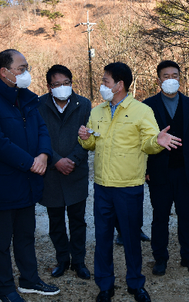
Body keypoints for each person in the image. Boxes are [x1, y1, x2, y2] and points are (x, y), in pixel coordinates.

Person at [78, 62, 181, 302]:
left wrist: (158, 141)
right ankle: (105, 286)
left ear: (119, 84)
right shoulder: (97, 111)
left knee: (131, 239)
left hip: (128, 187)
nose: (102, 85)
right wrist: (84, 138)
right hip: (102, 186)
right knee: (102, 238)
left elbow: (148, 144)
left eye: (105, 81)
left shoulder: (141, 111)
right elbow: (93, 144)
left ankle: (136, 284)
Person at [0, 49, 59, 302]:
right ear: (4, 72)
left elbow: (42, 129)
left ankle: (29, 280)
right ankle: (5, 289)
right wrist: (30, 162)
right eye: (21, 68)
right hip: (3, 181)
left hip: (29, 180)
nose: (27, 73)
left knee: (26, 235)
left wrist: (44, 155)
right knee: (1, 241)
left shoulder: (27, 98)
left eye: (27, 68)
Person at [143, 60, 189, 276]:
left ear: (180, 78)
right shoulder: (147, 106)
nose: (170, 79)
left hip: (185, 170)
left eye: (174, 75)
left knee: (186, 215)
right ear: (158, 80)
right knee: (160, 216)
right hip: (159, 171)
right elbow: (141, 139)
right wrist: (145, 169)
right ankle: (160, 257)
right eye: (166, 76)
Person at [38, 65, 92, 279]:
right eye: (57, 84)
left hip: (75, 171)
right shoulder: (38, 105)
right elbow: (37, 136)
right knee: (56, 221)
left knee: (78, 220)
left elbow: (88, 137)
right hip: (51, 173)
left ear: (72, 82)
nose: (62, 87)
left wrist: (72, 160)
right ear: (49, 86)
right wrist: (56, 160)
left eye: (66, 83)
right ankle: (62, 259)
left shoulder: (84, 104)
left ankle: (79, 261)